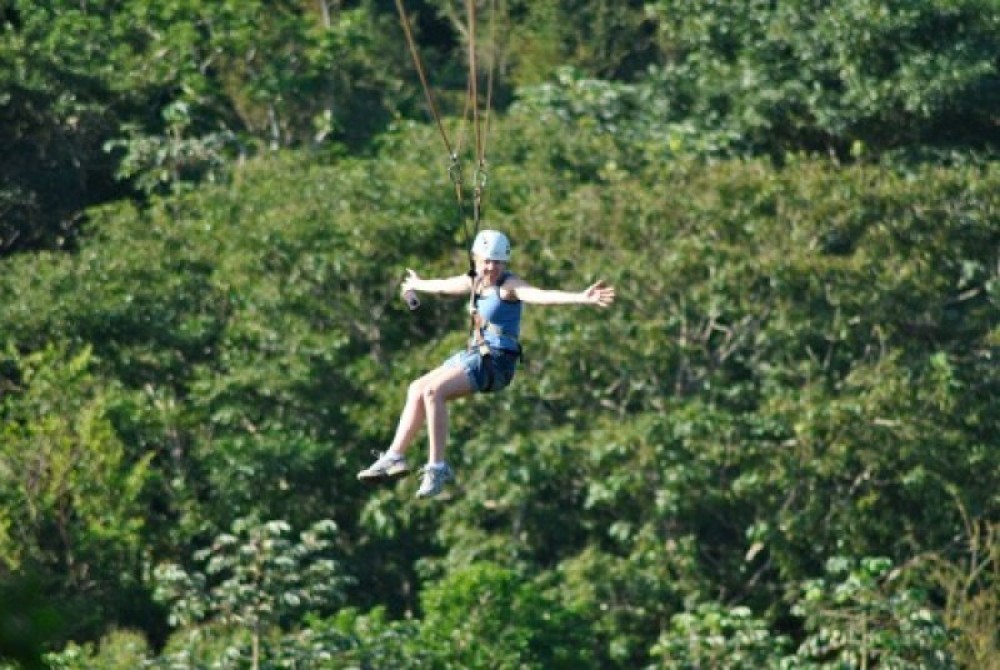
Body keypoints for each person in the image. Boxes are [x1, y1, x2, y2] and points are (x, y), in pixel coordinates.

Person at [357, 229, 616, 499]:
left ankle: (437, 466)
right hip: (475, 354)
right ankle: (395, 456)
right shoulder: (474, 281)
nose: (492, 267)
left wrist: (580, 297)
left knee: (434, 392)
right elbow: (444, 285)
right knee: (417, 388)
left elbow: (541, 295)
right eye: (487, 261)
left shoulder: (509, 286)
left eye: (498, 262)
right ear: (475, 259)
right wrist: (418, 284)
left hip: (497, 362)